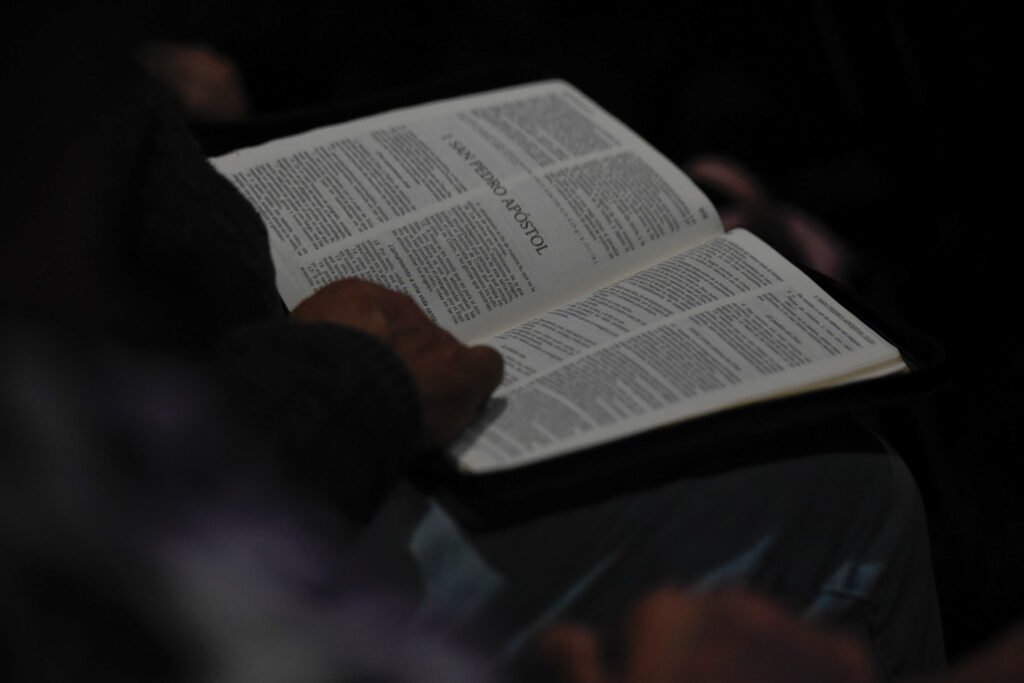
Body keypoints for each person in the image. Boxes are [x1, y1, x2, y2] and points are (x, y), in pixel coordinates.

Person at [1, 8, 949, 682]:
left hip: (243, 341)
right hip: (272, 441)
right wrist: (346, 380)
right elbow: (92, 492)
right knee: (849, 492)